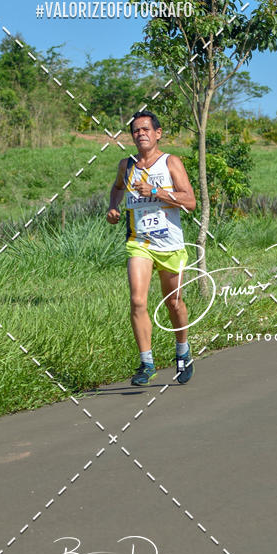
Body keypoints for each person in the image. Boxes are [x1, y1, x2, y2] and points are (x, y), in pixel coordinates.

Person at [107, 111, 196, 385]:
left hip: (170, 244)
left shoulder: (170, 162)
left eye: (146, 129)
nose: (140, 134)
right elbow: (117, 188)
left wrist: (155, 192)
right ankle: (146, 363)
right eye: (136, 130)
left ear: (158, 133)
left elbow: (190, 202)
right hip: (139, 243)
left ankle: (183, 350)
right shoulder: (127, 165)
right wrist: (113, 207)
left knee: (174, 303)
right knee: (137, 300)